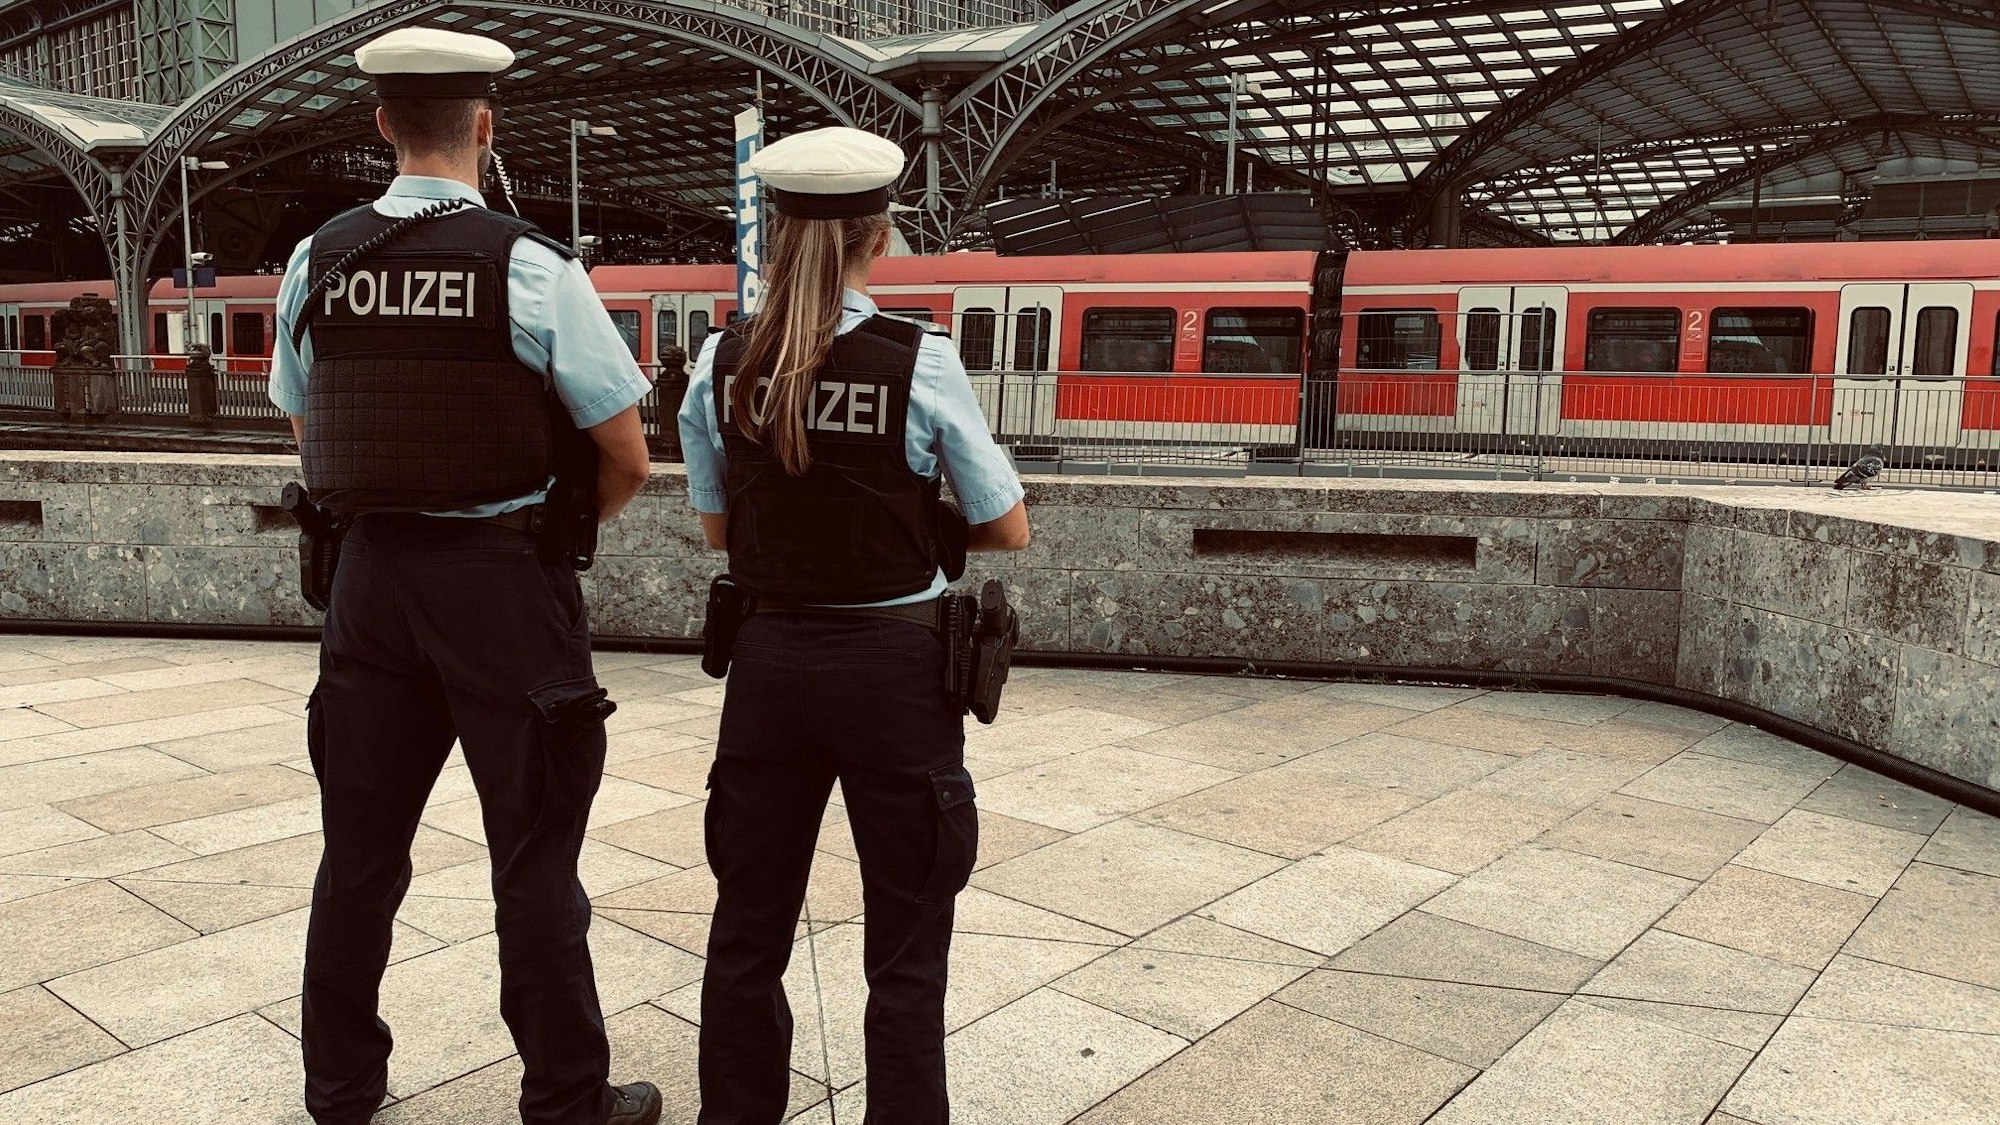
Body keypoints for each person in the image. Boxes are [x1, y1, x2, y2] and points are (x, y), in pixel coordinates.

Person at [267, 26, 661, 1125]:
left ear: (383, 123)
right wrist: (546, 532)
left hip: (368, 586)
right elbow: (623, 454)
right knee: (534, 856)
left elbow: (307, 431)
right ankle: (566, 1098)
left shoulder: (317, 259)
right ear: (485, 127)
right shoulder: (530, 264)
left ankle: (340, 1088)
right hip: (501, 586)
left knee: (358, 857)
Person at [677, 125, 1031, 1125]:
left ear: (780, 234)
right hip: (894, 673)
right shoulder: (917, 361)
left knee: (746, 933)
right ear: (880, 234)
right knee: (906, 945)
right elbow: (1005, 526)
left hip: (768, 664)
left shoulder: (721, 362)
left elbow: (719, 528)